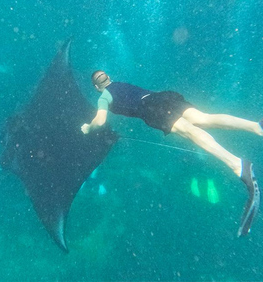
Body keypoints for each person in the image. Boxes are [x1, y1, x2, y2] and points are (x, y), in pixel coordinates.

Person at [81, 70, 262, 236]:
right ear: (109, 78)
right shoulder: (120, 84)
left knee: (190, 132)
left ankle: (237, 165)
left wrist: (88, 128)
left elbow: (100, 120)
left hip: (151, 107)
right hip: (165, 97)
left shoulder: (104, 96)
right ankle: (256, 127)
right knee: (205, 118)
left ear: (96, 87)